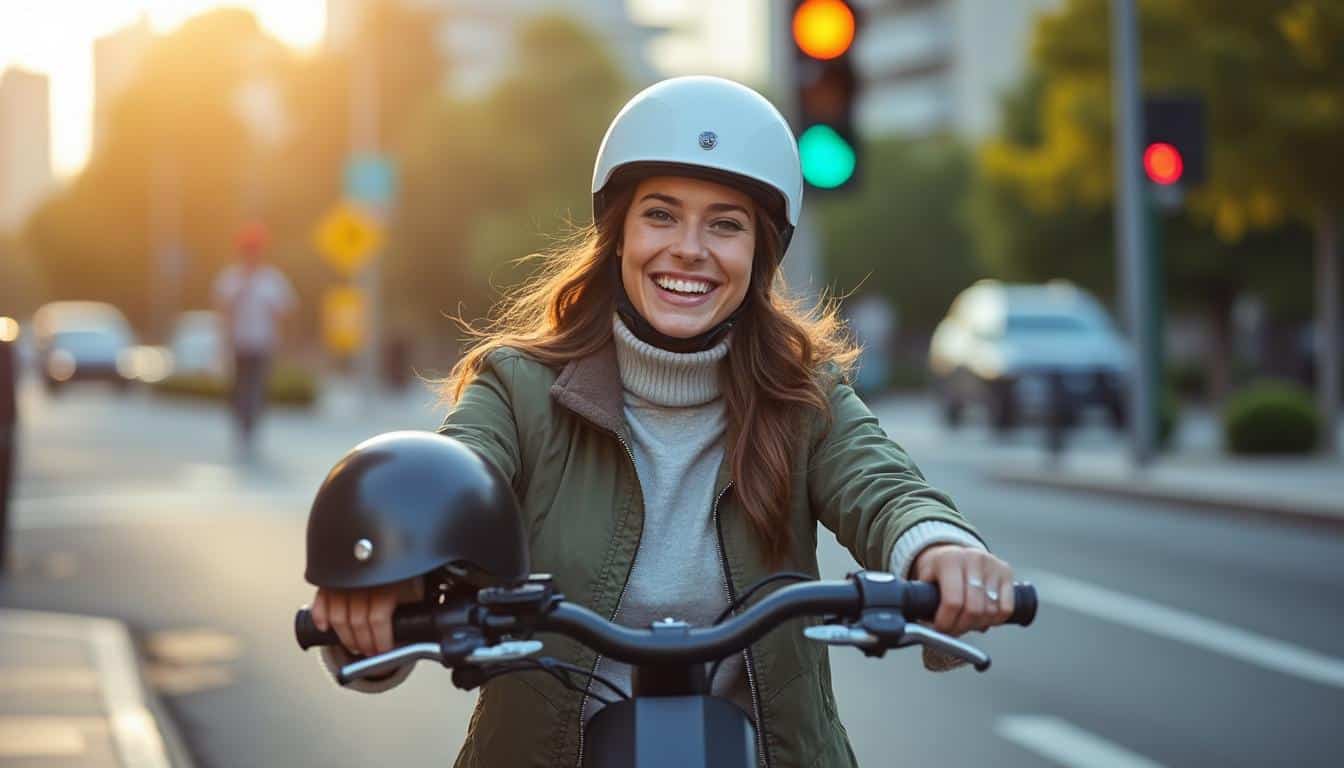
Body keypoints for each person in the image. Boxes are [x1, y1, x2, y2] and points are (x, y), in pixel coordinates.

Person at [310, 76, 1017, 767]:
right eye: (661, 214)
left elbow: (881, 481)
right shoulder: (517, 385)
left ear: (759, 256)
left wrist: (938, 549)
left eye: (726, 224)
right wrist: (392, 574)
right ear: (619, 234)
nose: (689, 248)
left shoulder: (804, 393)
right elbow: (460, 475)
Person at [212, 223, 295, 461]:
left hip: (263, 344)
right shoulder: (230, 278)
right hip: (238, 343)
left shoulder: (271, 279)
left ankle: (252, 431)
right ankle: (240, 429)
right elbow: (222, 310)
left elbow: (285, 311)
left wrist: (284, 342)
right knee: (238, 390)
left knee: (257, 390)